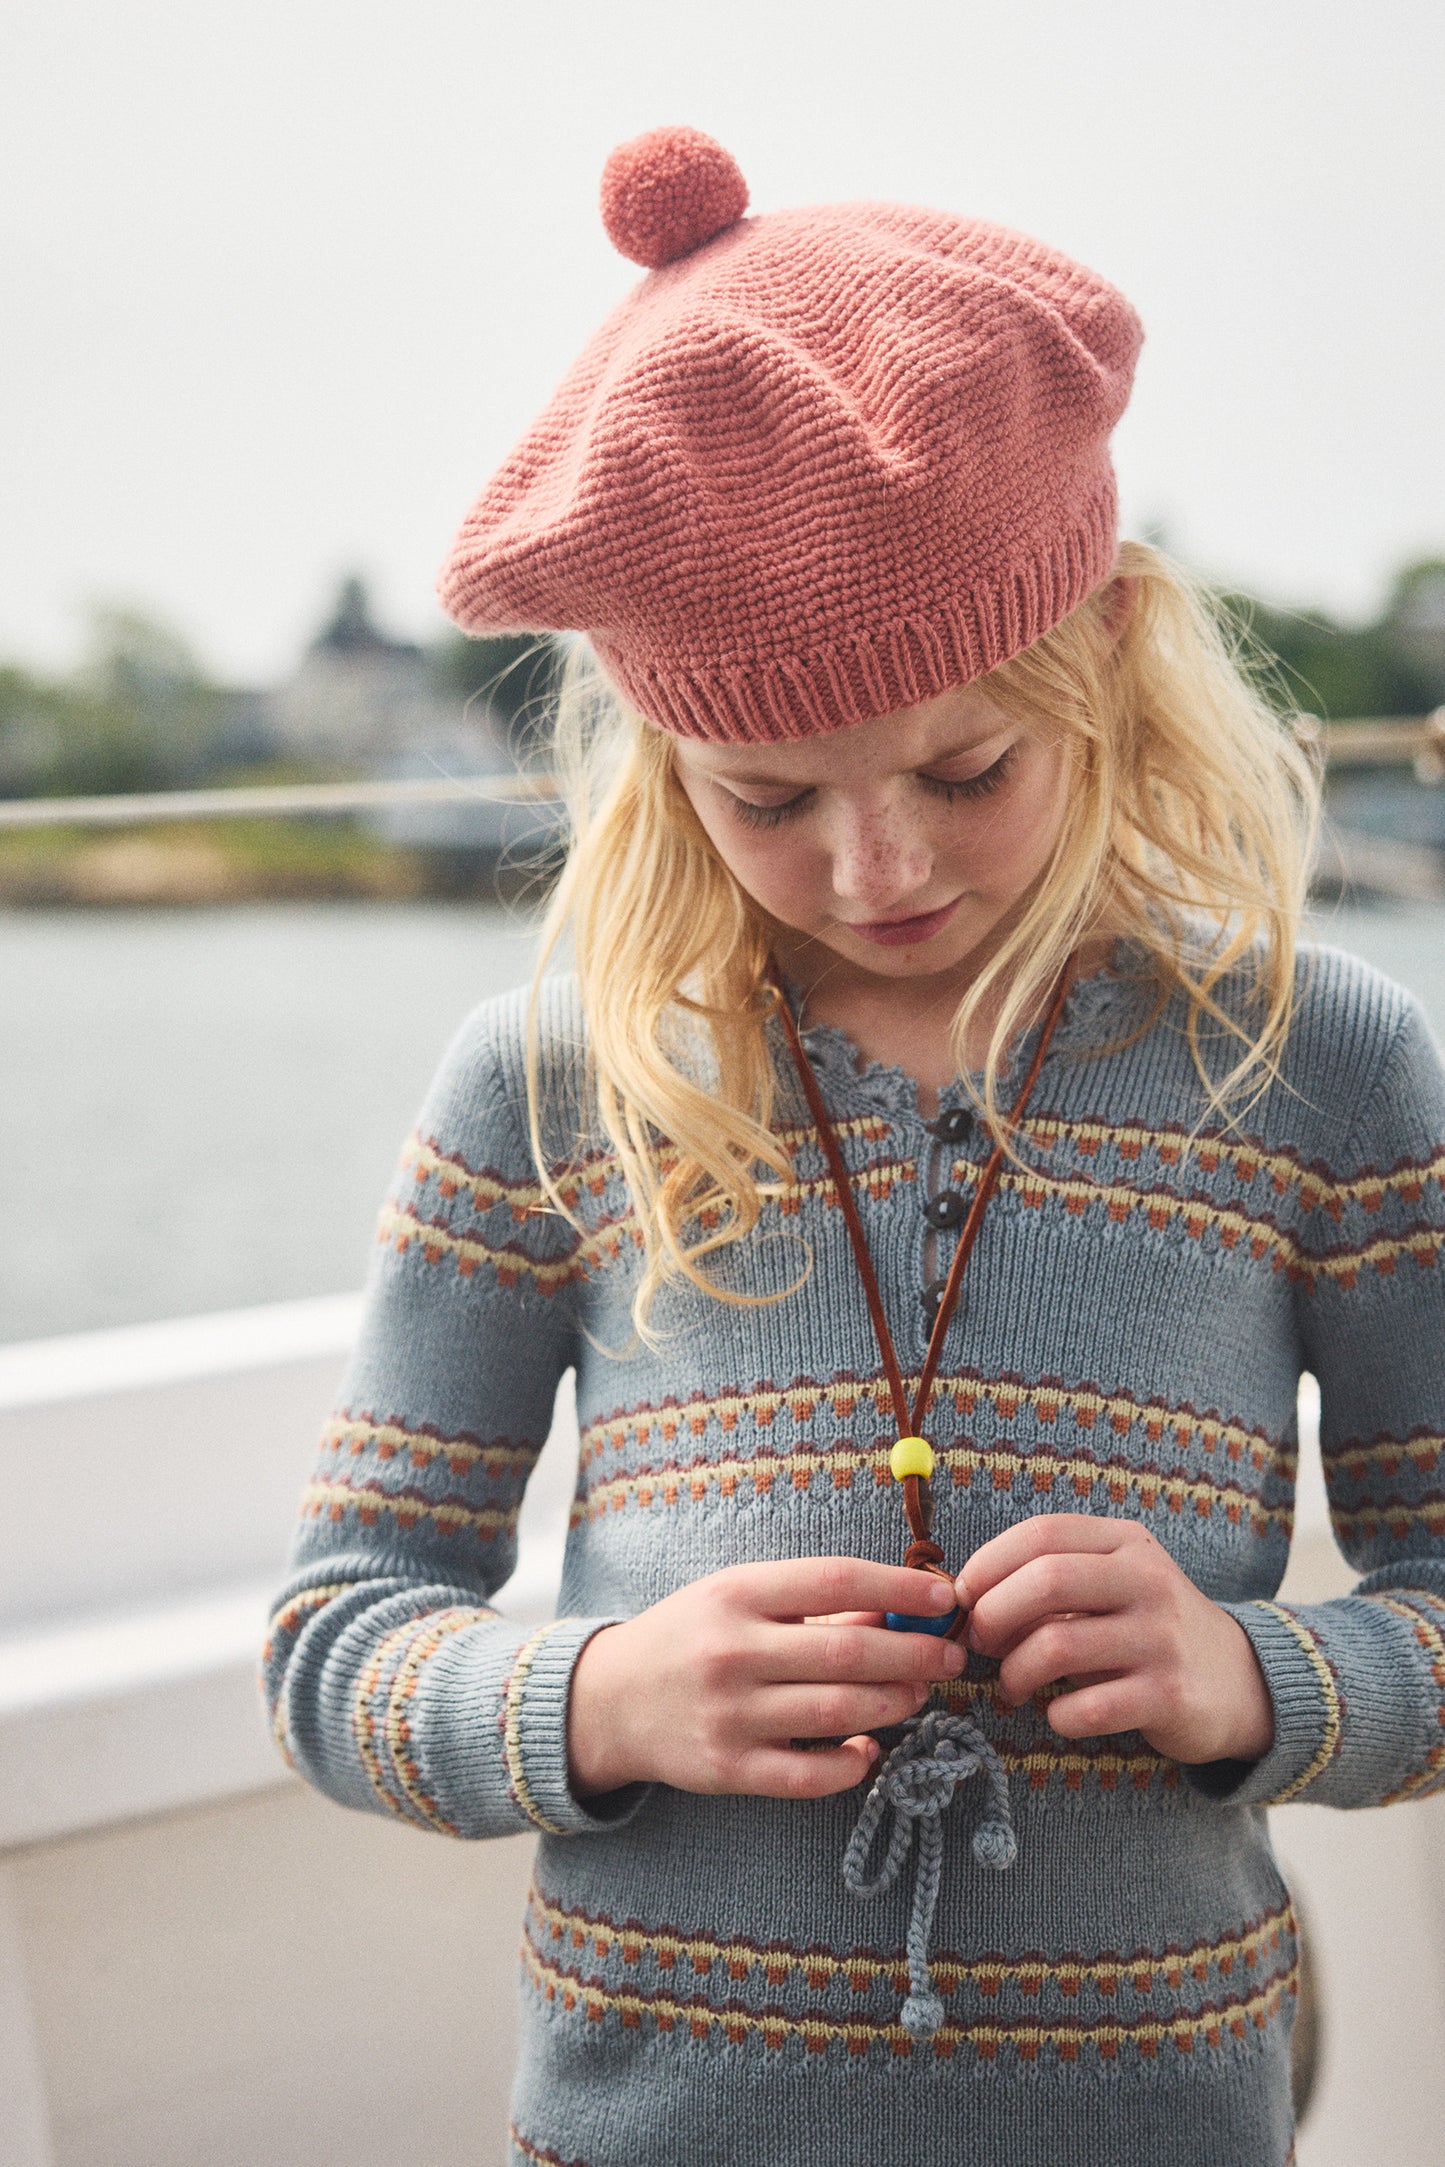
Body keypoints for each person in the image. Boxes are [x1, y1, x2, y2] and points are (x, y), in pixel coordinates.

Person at [261, 126, 1445, 2167]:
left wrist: (1253, 1672)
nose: (877, 863)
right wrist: (599, 1700)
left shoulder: (1315, 1066)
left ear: (1118, 665)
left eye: (967, 770)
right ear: (659, 770)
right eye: (768, 797)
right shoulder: (552, 1090)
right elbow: (338, 1635)